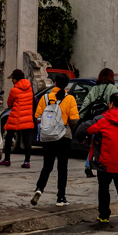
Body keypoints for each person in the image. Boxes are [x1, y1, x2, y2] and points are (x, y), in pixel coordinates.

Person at [87, 92, 118, 232]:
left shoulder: (103, 120)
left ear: (111, 104)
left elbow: (88, 130)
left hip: (105, 162)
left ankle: (104, 215)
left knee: (103, 189)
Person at [31, 73, 79, 207]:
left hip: (47, 137)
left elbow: (37, 116)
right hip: (64, 136)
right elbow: (74, 119)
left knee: (47, 166)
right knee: (62, 168)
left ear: (55, 83)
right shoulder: (70, 99)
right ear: (67, 85)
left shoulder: (45, 98)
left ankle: (39, 189)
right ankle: (61, 197)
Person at [80, 69, 118, 178]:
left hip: (95, 120)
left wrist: (81, 118)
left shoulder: (94, 88)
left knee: (94, 143)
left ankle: (88, 166)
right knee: (107, 144)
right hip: (108, 120)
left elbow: (86, 103)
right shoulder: (113, 89)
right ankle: (103, 165)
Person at [1, 69, 34, 168]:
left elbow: (9, 104)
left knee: (9, 137)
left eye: (13, 79)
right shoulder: (29, 88)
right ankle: (27, 162)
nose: (12, 81)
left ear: (16, 79)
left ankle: (7, 160)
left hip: (15, 116)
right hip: (27, 116)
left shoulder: (14, 90)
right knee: (27, 140)